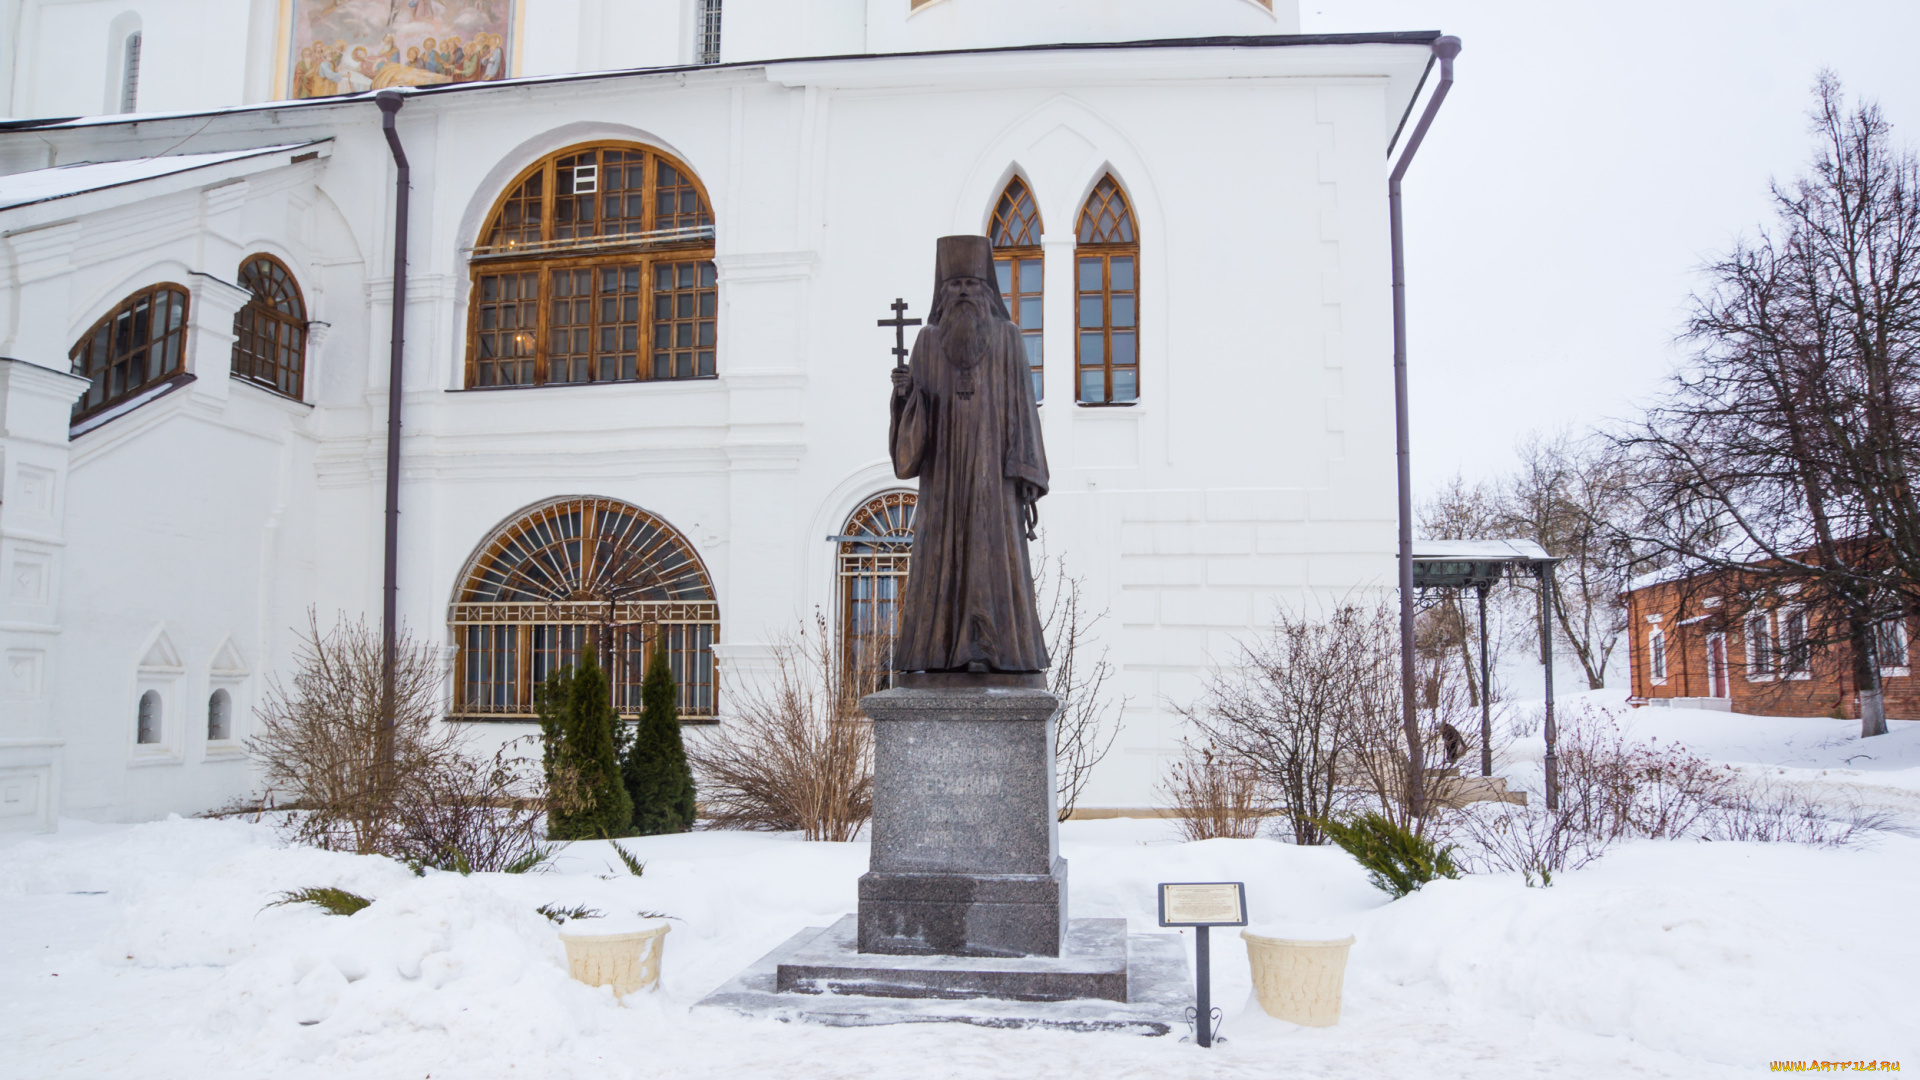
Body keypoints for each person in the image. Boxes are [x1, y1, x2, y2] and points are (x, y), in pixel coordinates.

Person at [887, 235, 1050, 673]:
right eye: (954, 282)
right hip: (942, 477)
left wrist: (1027, 475)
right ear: (942, 290)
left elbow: (1022, 407)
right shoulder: (925, 343)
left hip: (993, 478)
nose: (962, 291)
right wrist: (904, 397)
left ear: (987, 290)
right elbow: (913, 429)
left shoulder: (1009, 339)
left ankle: (993, 648)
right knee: (936, 553)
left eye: (971, 283)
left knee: (991, 553)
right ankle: (933, 650)